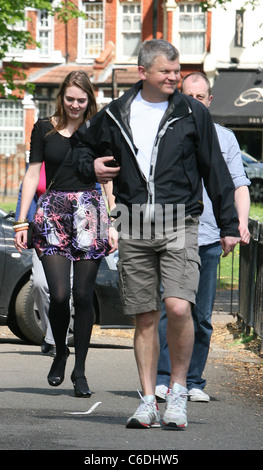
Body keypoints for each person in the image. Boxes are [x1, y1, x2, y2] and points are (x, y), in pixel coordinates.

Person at [72, 40, 241, 428]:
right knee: (145, 316)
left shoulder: (191, 112)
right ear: (143, 72)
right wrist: (91, 165)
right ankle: (148, 400)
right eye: (166, 71)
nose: (173, 76)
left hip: (181, 218)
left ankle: (177, 391)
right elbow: (80, 148)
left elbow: (214, 168)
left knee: (180, 306)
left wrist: (230, 225)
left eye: (176, 69)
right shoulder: (116, 114)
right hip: (132, 220)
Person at [14, 70, 116, 397]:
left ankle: (81, 371)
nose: (74, 104)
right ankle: (60, 351)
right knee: (59, 294)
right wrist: (21, 221)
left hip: (90, 213)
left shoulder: (100, 129)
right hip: (53, 213)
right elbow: (32, 175)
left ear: (89, 100)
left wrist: (114, 223)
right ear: (62, 96)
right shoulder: (44, 128)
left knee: (84, 295)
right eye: (69, 99)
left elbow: (108, 179)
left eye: (80, 100)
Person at [155, 72, 251, 403]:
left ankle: (193, 380)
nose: (195, 102)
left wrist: (238, 223)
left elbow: (239, 184)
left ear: (209, 101)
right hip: (176, 234)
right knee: (171, 308)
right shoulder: (167, 134)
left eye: (201, 97)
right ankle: (164, 377)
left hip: (210, 235)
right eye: (188, 96)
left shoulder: (224, 139)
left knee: (202, 316)